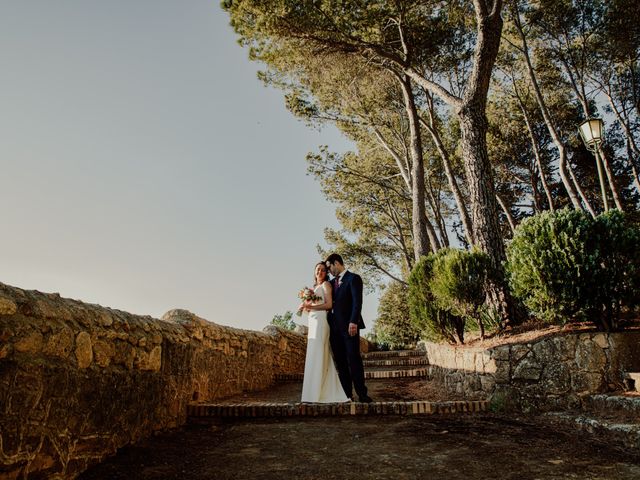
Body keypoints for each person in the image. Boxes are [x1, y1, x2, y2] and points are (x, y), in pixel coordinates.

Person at [299, 262, 350, 403]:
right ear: (314, 272)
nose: (320, 272)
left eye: (322, 270)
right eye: (318, 270)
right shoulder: (313, 288)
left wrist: (312, 307)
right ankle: (311, 393)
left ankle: (321, 391)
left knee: (320, 353)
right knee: (313, 353)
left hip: (322, 322)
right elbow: (313, 306)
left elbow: (329, 305)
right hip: (313, 321)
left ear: (325, 273)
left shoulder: (326, 285)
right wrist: (306, 307)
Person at [325, 253, 372, 403]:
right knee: (341, 362)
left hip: (350, 327)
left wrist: (353, 321)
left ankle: (362, 394)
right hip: (334, 330)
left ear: (337, 263)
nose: (329, 271)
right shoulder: (331, 284)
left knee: (353, 360)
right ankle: (346, 394)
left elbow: (357, 302)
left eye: (329, 267)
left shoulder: (354, 278)